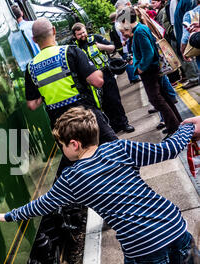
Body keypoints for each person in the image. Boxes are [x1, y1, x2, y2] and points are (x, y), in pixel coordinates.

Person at [0, 107, 199, 264]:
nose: (61, 150)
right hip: (175, 227)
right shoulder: (121, 148)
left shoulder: (71, 178)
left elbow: (41, 205)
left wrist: (6, 216)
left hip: (142, 246)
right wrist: (187, 128)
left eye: (61, 145)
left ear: (74, 145)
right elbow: (169, 149)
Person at [24, 17, 117, 176]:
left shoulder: (31, 67)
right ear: (53, 31)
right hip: (86, 115)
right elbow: (97, 81)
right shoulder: (70, 51)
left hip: (61, 125)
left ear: (33, 40)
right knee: (115, 150)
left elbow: (32, 104)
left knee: (77, 168)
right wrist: (101, 71)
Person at [118, 7, 183, 137]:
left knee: (156, 100)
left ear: (126, 20)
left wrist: (140, 68)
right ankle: (178, 123)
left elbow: (148, 53)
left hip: (149, 71)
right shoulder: (141, 28)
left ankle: (174, 128)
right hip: (153, 68)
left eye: (121, 21)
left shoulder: (139, 32)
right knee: (164, 97)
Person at [72, 22, 135, 134]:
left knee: (114, 99)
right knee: (103, 104)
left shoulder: (95, 38)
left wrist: (101, 47)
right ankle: (114, 126)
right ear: (74, 36)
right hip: (90, 80)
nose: (82, 35)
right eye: (79, 34)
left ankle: (124, 123)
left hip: (105, 74)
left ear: (86, 30)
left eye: (83, 32)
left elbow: (112, 48)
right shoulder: (74, 48)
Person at [115, 0, 142, 84]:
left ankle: (134, 77)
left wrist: (142, 68)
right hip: (129, 45)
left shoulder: (138, 30)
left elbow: (148, 53)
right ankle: (134, 77)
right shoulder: (122, 18)